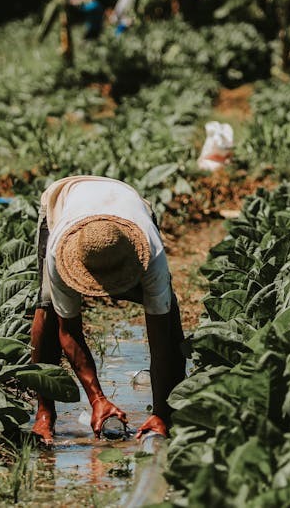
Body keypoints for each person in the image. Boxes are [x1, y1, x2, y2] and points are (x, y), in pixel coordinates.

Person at [30, 175, 187, 443]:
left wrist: (160, 412)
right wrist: (98, 400)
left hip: (127, 203)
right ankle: (44, 414)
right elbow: (69, 332)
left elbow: (160, 340)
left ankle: (167, 412)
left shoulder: (151, 254)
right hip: (64, 199)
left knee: (168, 315)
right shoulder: (61, 252)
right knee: (48, 309)